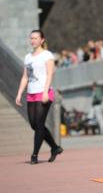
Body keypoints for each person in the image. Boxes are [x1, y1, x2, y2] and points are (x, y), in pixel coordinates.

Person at [15, 30, 63, 164]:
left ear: (42, 40)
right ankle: (55, 147)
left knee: (39, 124)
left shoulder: (47, 55)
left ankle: (34, 155)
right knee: (34, 125)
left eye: (35, 38)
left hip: (43, 92)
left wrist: (46, 92)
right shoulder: (28, 57)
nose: (33, 40)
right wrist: (19, 93)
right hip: (31, 93)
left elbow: (50, 74)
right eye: (31, 38)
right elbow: (25, 76)